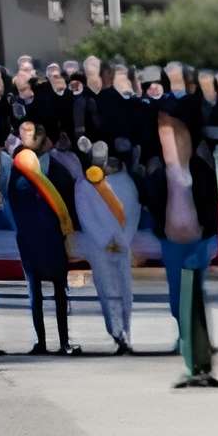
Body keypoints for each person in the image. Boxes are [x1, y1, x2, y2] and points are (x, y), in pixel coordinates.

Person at [140, 96, 218, 387]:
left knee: (193, 295)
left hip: (197, 242)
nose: (170, 148)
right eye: (164, 141)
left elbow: (214, 205)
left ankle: (197, 348)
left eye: (174, 139)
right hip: (173, 243)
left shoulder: (200, 174)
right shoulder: (159, 177)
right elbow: (151, 204)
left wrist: (209, 236)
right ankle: (186, 338)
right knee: (177, 298)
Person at [3, 120, 80, 353]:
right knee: (34, 293)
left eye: (32, 138)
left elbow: (70, 205)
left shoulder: (60, 172)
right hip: (28, 238)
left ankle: (64, 341)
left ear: (45, 142)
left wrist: (69, 236)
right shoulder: (19, 169)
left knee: (60, 292)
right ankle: (42, 342)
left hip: (54, 239)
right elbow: (11, 200)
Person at [72, 138, 139, 351]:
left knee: (125, 290)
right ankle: (117, 333)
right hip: (99, 246)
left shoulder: (126, 182)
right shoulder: (84, 184)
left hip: (122, 244)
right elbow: (85, 216)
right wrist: (105, 241)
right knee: (108, 289)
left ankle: (126, 331)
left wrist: (124, 239)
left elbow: (133, 212)